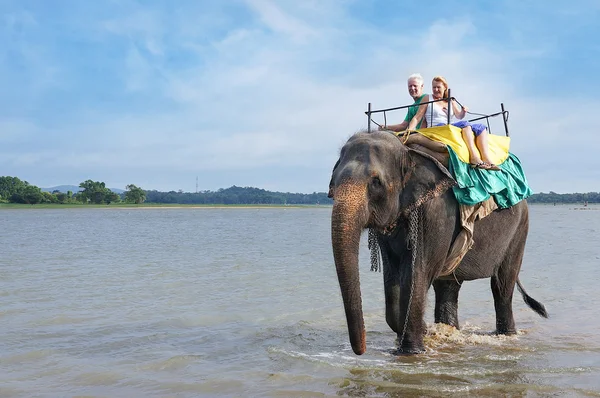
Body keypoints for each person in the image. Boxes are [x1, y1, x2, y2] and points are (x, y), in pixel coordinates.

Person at [410, 76, 500, 170]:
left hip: (450, 126)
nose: (436, 90)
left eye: (438, 87)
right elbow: (417, 117)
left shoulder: (450, 100)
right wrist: (410, 131)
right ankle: (474, 157)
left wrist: (463, 111)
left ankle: (487, 159)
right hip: (437, 127)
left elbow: (458, 115)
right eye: (434, 87)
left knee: (481, 127)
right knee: (465, 125)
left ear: (445, 87)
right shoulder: (428, 98)